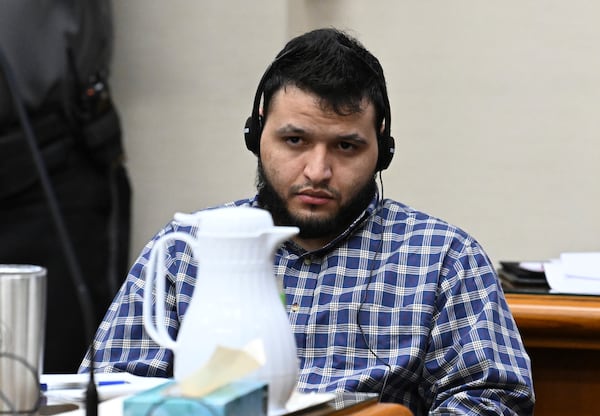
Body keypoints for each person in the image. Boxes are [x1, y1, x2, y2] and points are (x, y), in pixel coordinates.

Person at [80, 28, 535, 414]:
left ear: (383, 151)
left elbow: (491, 400)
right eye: (295, 140)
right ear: (256, 135)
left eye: (346, 147)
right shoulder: (186, 247)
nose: (317, 171)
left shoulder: (444, 258)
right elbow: (109, 390)